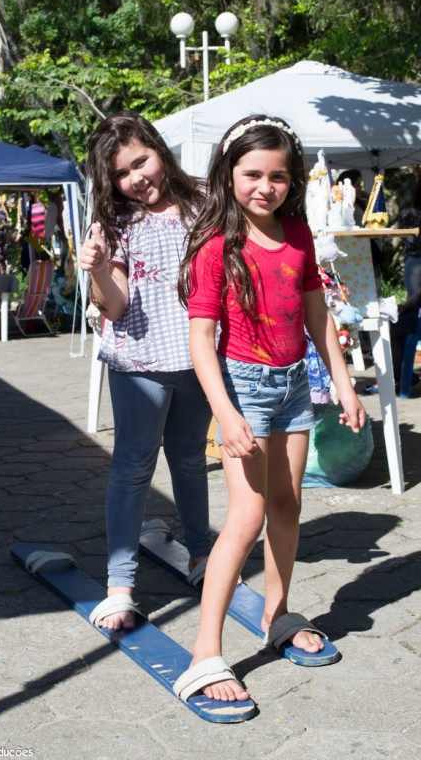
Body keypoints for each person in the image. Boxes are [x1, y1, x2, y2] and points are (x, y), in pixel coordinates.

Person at [175, 115, 366, 703]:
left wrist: (345, 385)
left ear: (292, 181)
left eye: (278, 177)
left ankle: (277, 615)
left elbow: (317, 317)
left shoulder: (299, 234)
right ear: (228, 174)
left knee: (287, 504)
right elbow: (200, 339)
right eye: (252, 174)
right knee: (247, 515)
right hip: (243, 388)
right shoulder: (217, 245)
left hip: (292, 387)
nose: (265, 186)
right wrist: (226, 412)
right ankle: (204, 653)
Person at [79, 110, 212, 631]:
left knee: (190, 460)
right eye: (121, 173)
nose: (136, 178)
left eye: (141, 162)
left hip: (201, 358)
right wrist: (96, 268)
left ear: (159, 149)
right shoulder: (114, 222)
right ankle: (120, 586)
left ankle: (201, 556)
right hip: (140, 363)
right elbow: (114, 306)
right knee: (134, 467)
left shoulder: (207, 200)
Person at [337, 168, 382, 293]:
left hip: (366, 248)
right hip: (359, 251)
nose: (359, 189)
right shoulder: (346, 205)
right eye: (357, 185)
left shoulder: (358, 203)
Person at [397, 177, 421, 297]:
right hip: (414, 260)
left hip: (414, 259)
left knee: (414, 301)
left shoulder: (408, 213)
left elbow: (404, 236)